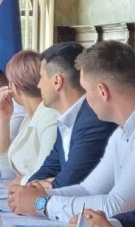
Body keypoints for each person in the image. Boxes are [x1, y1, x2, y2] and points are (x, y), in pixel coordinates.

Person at [8, 41, 135, 222]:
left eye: (86, 90)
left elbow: (115, 206)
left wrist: (42, 204)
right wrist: (38, 195)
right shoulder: (121, 134)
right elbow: (88, 189)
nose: (84, 101)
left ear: (102, 91)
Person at [27, 42, 116, 188]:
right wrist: (31, 187)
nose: (38, 85)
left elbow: (70, 182)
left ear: (57, 81)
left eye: (41, 77)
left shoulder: (94, 119)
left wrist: (44, 187)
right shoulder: (66, 118)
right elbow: (50, 167)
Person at [0, 50, 59, 185]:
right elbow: (5, 168)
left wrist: (21, 181)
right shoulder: (30, 116)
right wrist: (4, 119)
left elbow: (44, 174)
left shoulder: (50, 116)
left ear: (14, 87)